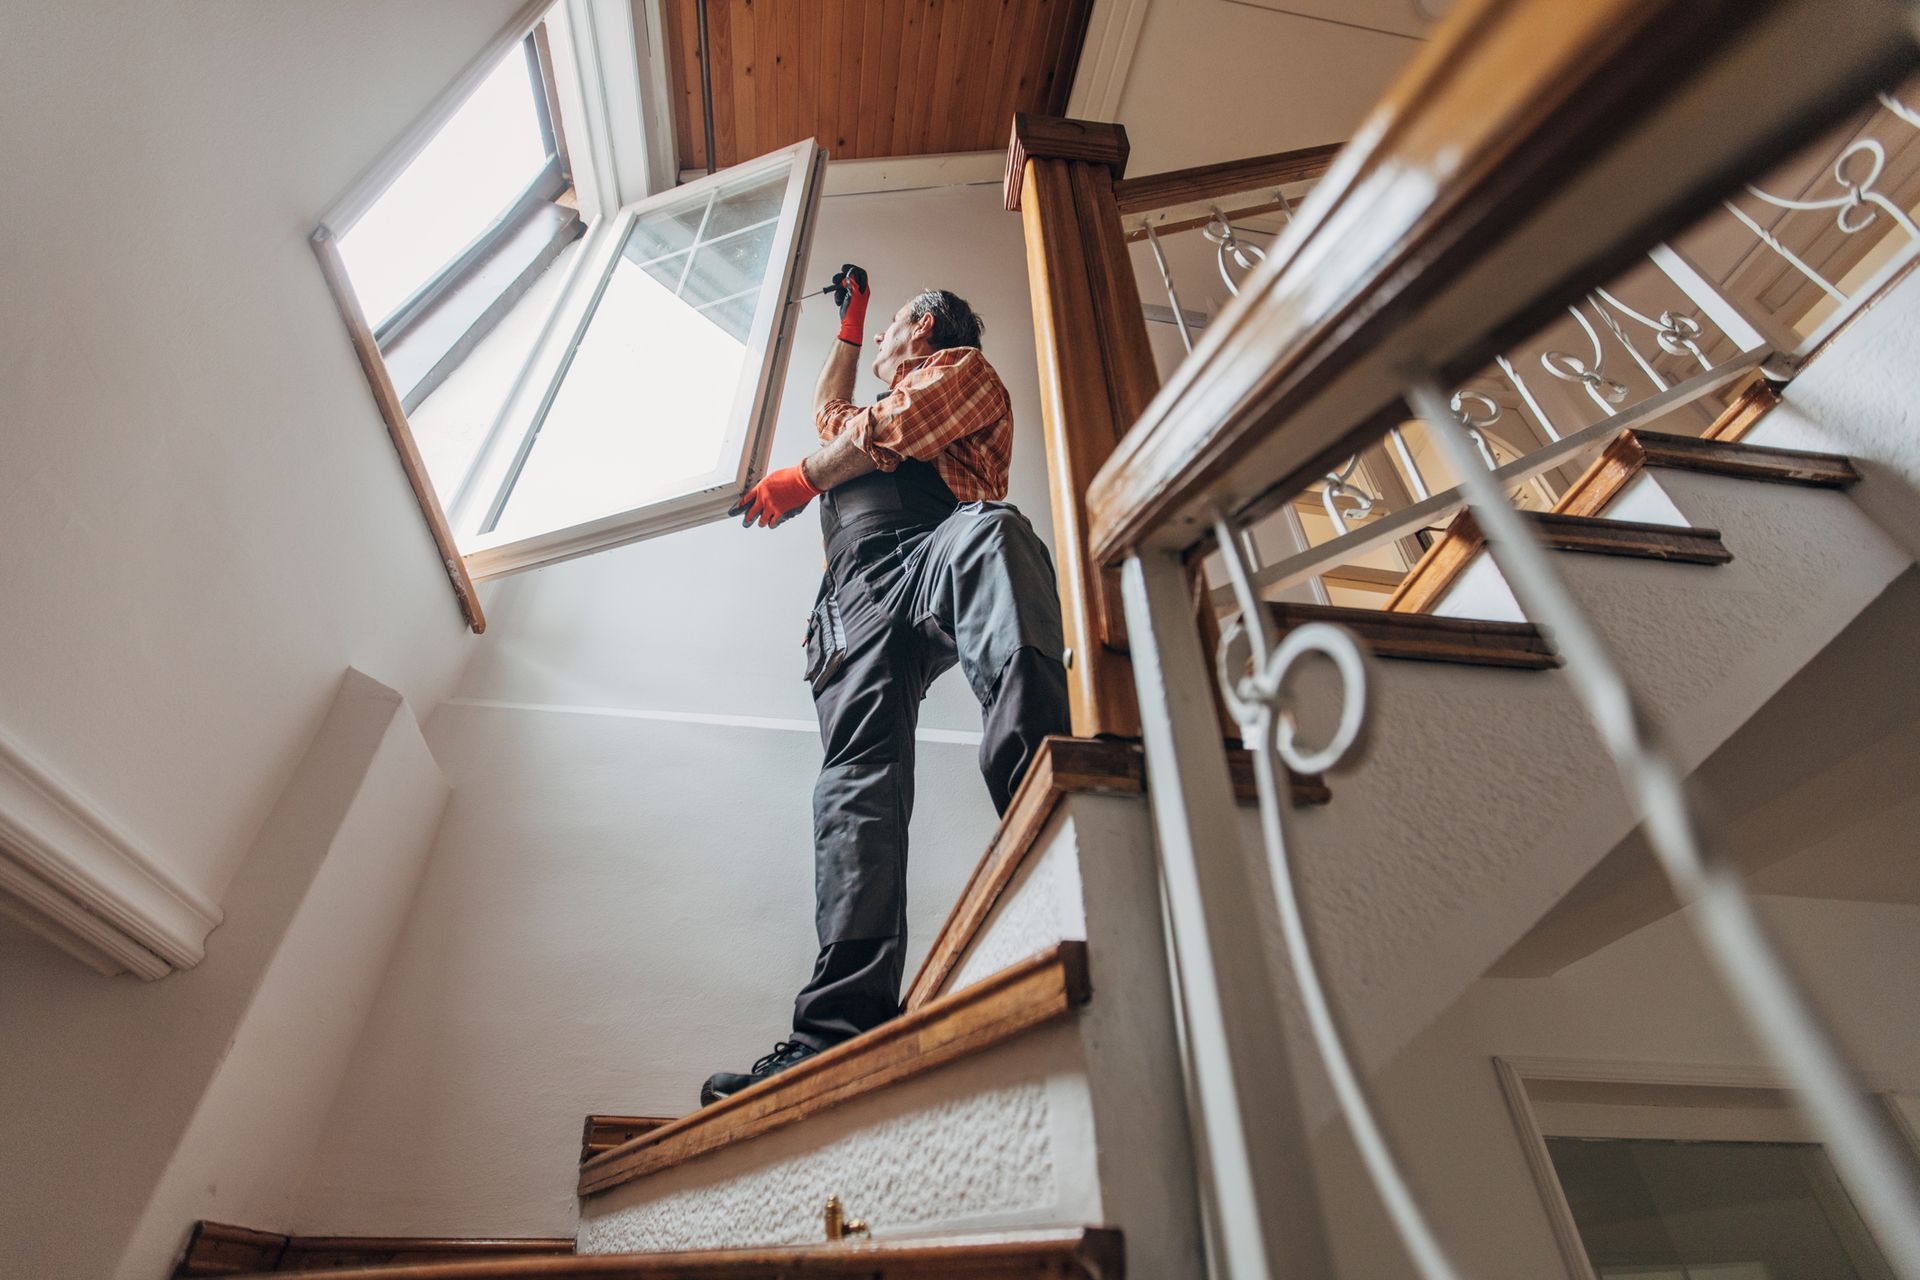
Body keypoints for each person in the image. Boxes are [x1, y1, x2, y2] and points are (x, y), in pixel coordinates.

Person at [704, 265, 1070, 1104]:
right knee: (853, 789)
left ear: (931, 328)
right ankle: (836, 1030)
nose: (881, 339)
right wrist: (849, 323)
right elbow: (833, 419)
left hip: (929, 549)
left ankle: (1047, 792)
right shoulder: (863, 403)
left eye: (895, 321)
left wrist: (801, 477)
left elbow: (886, 432)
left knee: (992, 536)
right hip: (853, 603)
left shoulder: (962, 372)